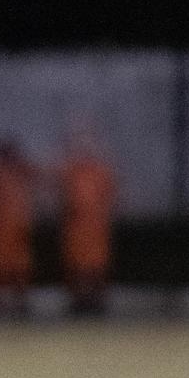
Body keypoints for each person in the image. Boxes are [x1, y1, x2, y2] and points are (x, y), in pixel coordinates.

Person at [59, 124, 116, 316]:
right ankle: (77, 303)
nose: (85, 148)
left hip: (96, 228)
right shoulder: (70, 170)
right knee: (76, 266)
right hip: (76, 228)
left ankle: (97, 303)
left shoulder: (101, 171)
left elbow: (112, 197)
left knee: (97, 266)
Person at [0, 138, 36, 317]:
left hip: (17, 233)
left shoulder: (21, 175)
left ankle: (19, 305)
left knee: (19, 269)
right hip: (0, 232)